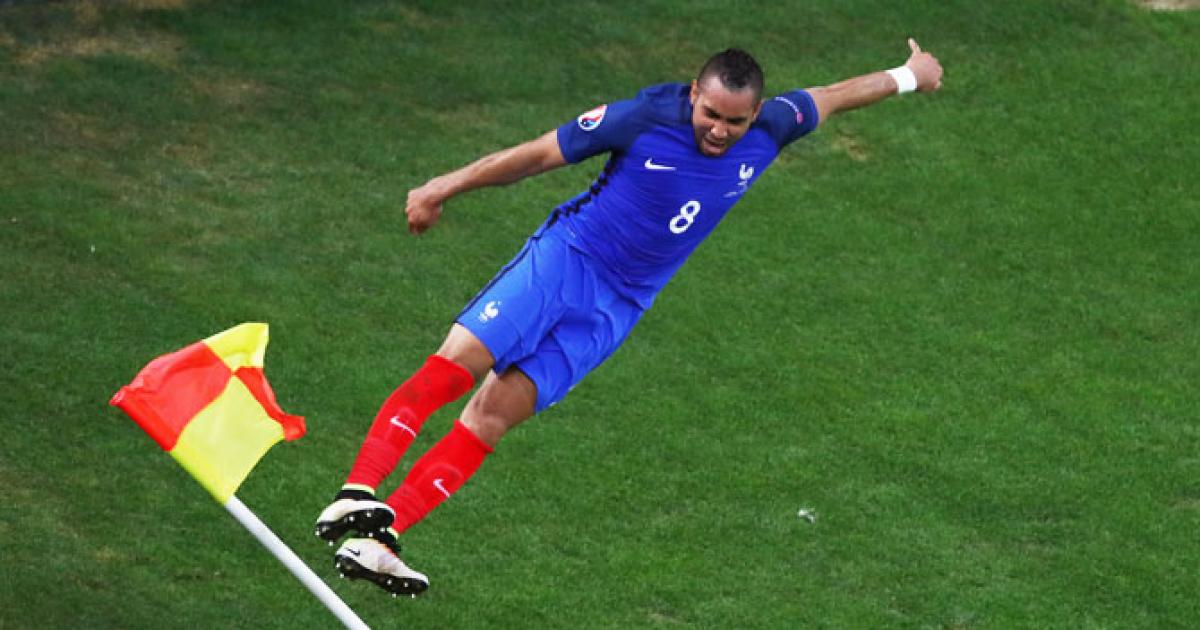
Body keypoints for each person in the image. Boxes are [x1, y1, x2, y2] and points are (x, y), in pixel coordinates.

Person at [315, 39, 943, 597]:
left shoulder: (776, 126)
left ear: (757, 113)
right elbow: (537, 155)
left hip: (618, 306)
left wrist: (910, 75)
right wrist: (441, 187)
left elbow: (834, 95)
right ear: (693, 93)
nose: (720, 131)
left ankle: (378, 541)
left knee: (493, 416)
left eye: (735, 121)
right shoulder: (644, 116)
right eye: (711, 113)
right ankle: (357, 491)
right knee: (457, 366)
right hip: (566, 260)